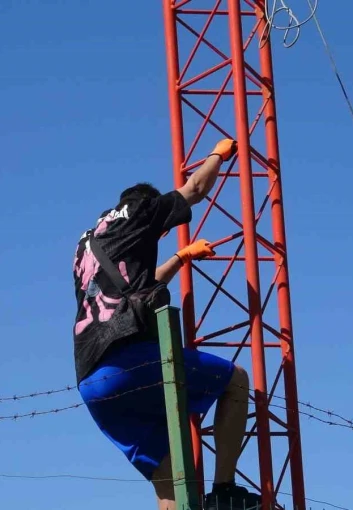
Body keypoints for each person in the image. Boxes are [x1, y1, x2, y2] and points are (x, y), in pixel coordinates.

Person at [71, 139, 261, 510]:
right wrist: (219, 154)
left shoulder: (89, 242)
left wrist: (180, 257)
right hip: (127, 361)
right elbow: (195, 189)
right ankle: (224, 491)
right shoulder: (141, 208)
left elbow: (129, 289)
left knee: (173, 479)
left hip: (91, 381)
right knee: (235, 380)